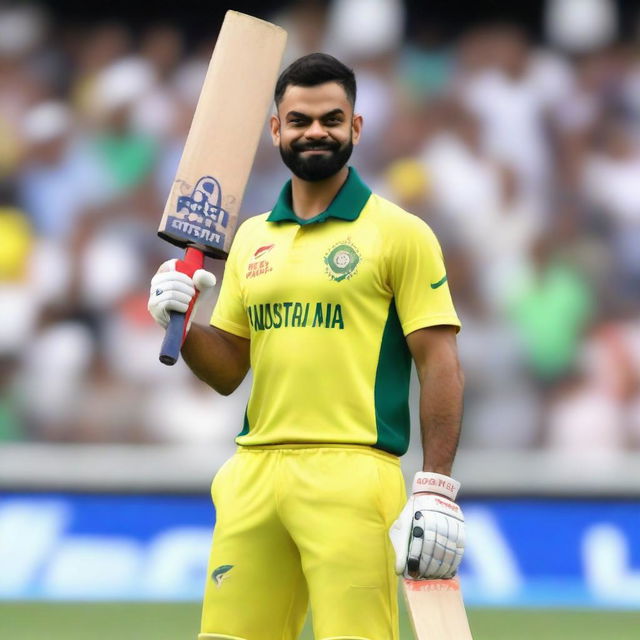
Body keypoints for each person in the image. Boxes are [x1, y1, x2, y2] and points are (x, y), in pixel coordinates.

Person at [148, 53, 465, 640]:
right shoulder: (250, 238)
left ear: (356, 127)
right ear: (275, 129)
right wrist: (183, 323)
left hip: (352, 470)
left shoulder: (400, 233)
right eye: (298, 120)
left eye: (331, 119)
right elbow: (227, 371)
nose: (315, 131)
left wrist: (437, 487)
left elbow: (439, 361)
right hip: (254, 470)